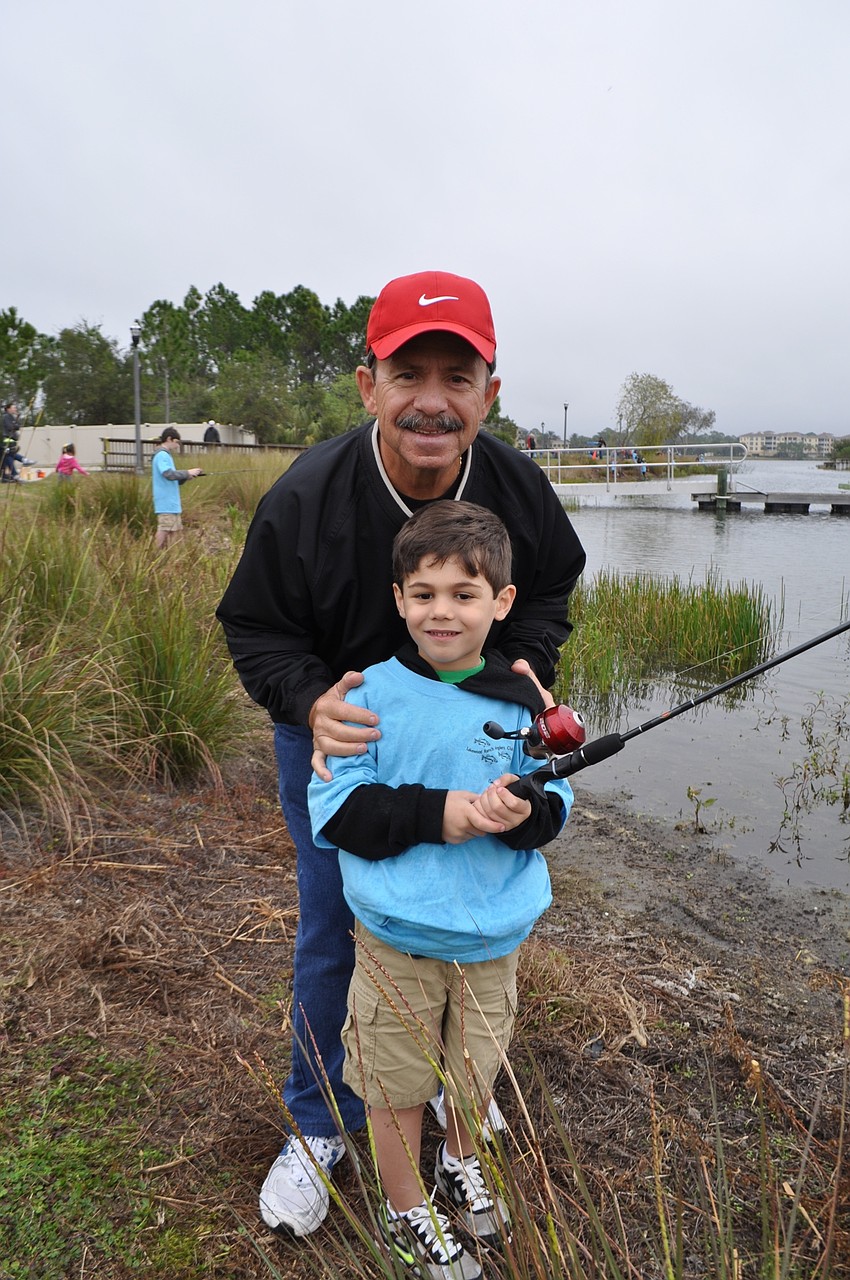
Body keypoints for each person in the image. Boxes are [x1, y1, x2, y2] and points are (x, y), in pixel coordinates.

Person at [216, 269, 586, 1238]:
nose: (432, 397)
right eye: (407, 371)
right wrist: (307, 700)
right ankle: (318, 1122)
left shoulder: (518, 488)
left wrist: (523, 669)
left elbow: (549, 592)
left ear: (488, 392)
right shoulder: (303, 497)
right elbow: (254, 627)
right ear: (366, 383)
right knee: (338, 923)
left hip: (474, 724)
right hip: (351, 736)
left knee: (475, 899)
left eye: (456, 375)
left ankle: (457, 1094)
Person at [308, 500, 573, 1278]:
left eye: (464, 594)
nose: (442, 611)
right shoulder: (365, 696)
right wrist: (450, 813)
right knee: (392, 1088)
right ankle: (405, 1210)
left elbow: (555, 811)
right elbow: (341, 810)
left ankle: (460, 1160)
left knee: (473, 1072)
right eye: (424, 594)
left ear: (503, 602)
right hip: (397, 939)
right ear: (398, 600)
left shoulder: (528, 700)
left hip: (495, 937)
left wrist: (519, 810)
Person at [151, 427, 203, 549]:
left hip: (171, 503)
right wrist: (187, 472)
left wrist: (187, 476)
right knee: (164, 529)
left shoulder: (165, 456)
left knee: (175, 531)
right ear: (169, 439)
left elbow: (173, 479)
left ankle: (172, 556)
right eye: (176, 442)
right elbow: (168, 474)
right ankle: (155, 554)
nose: (177, 445)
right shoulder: (162, 455)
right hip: (166, 502)